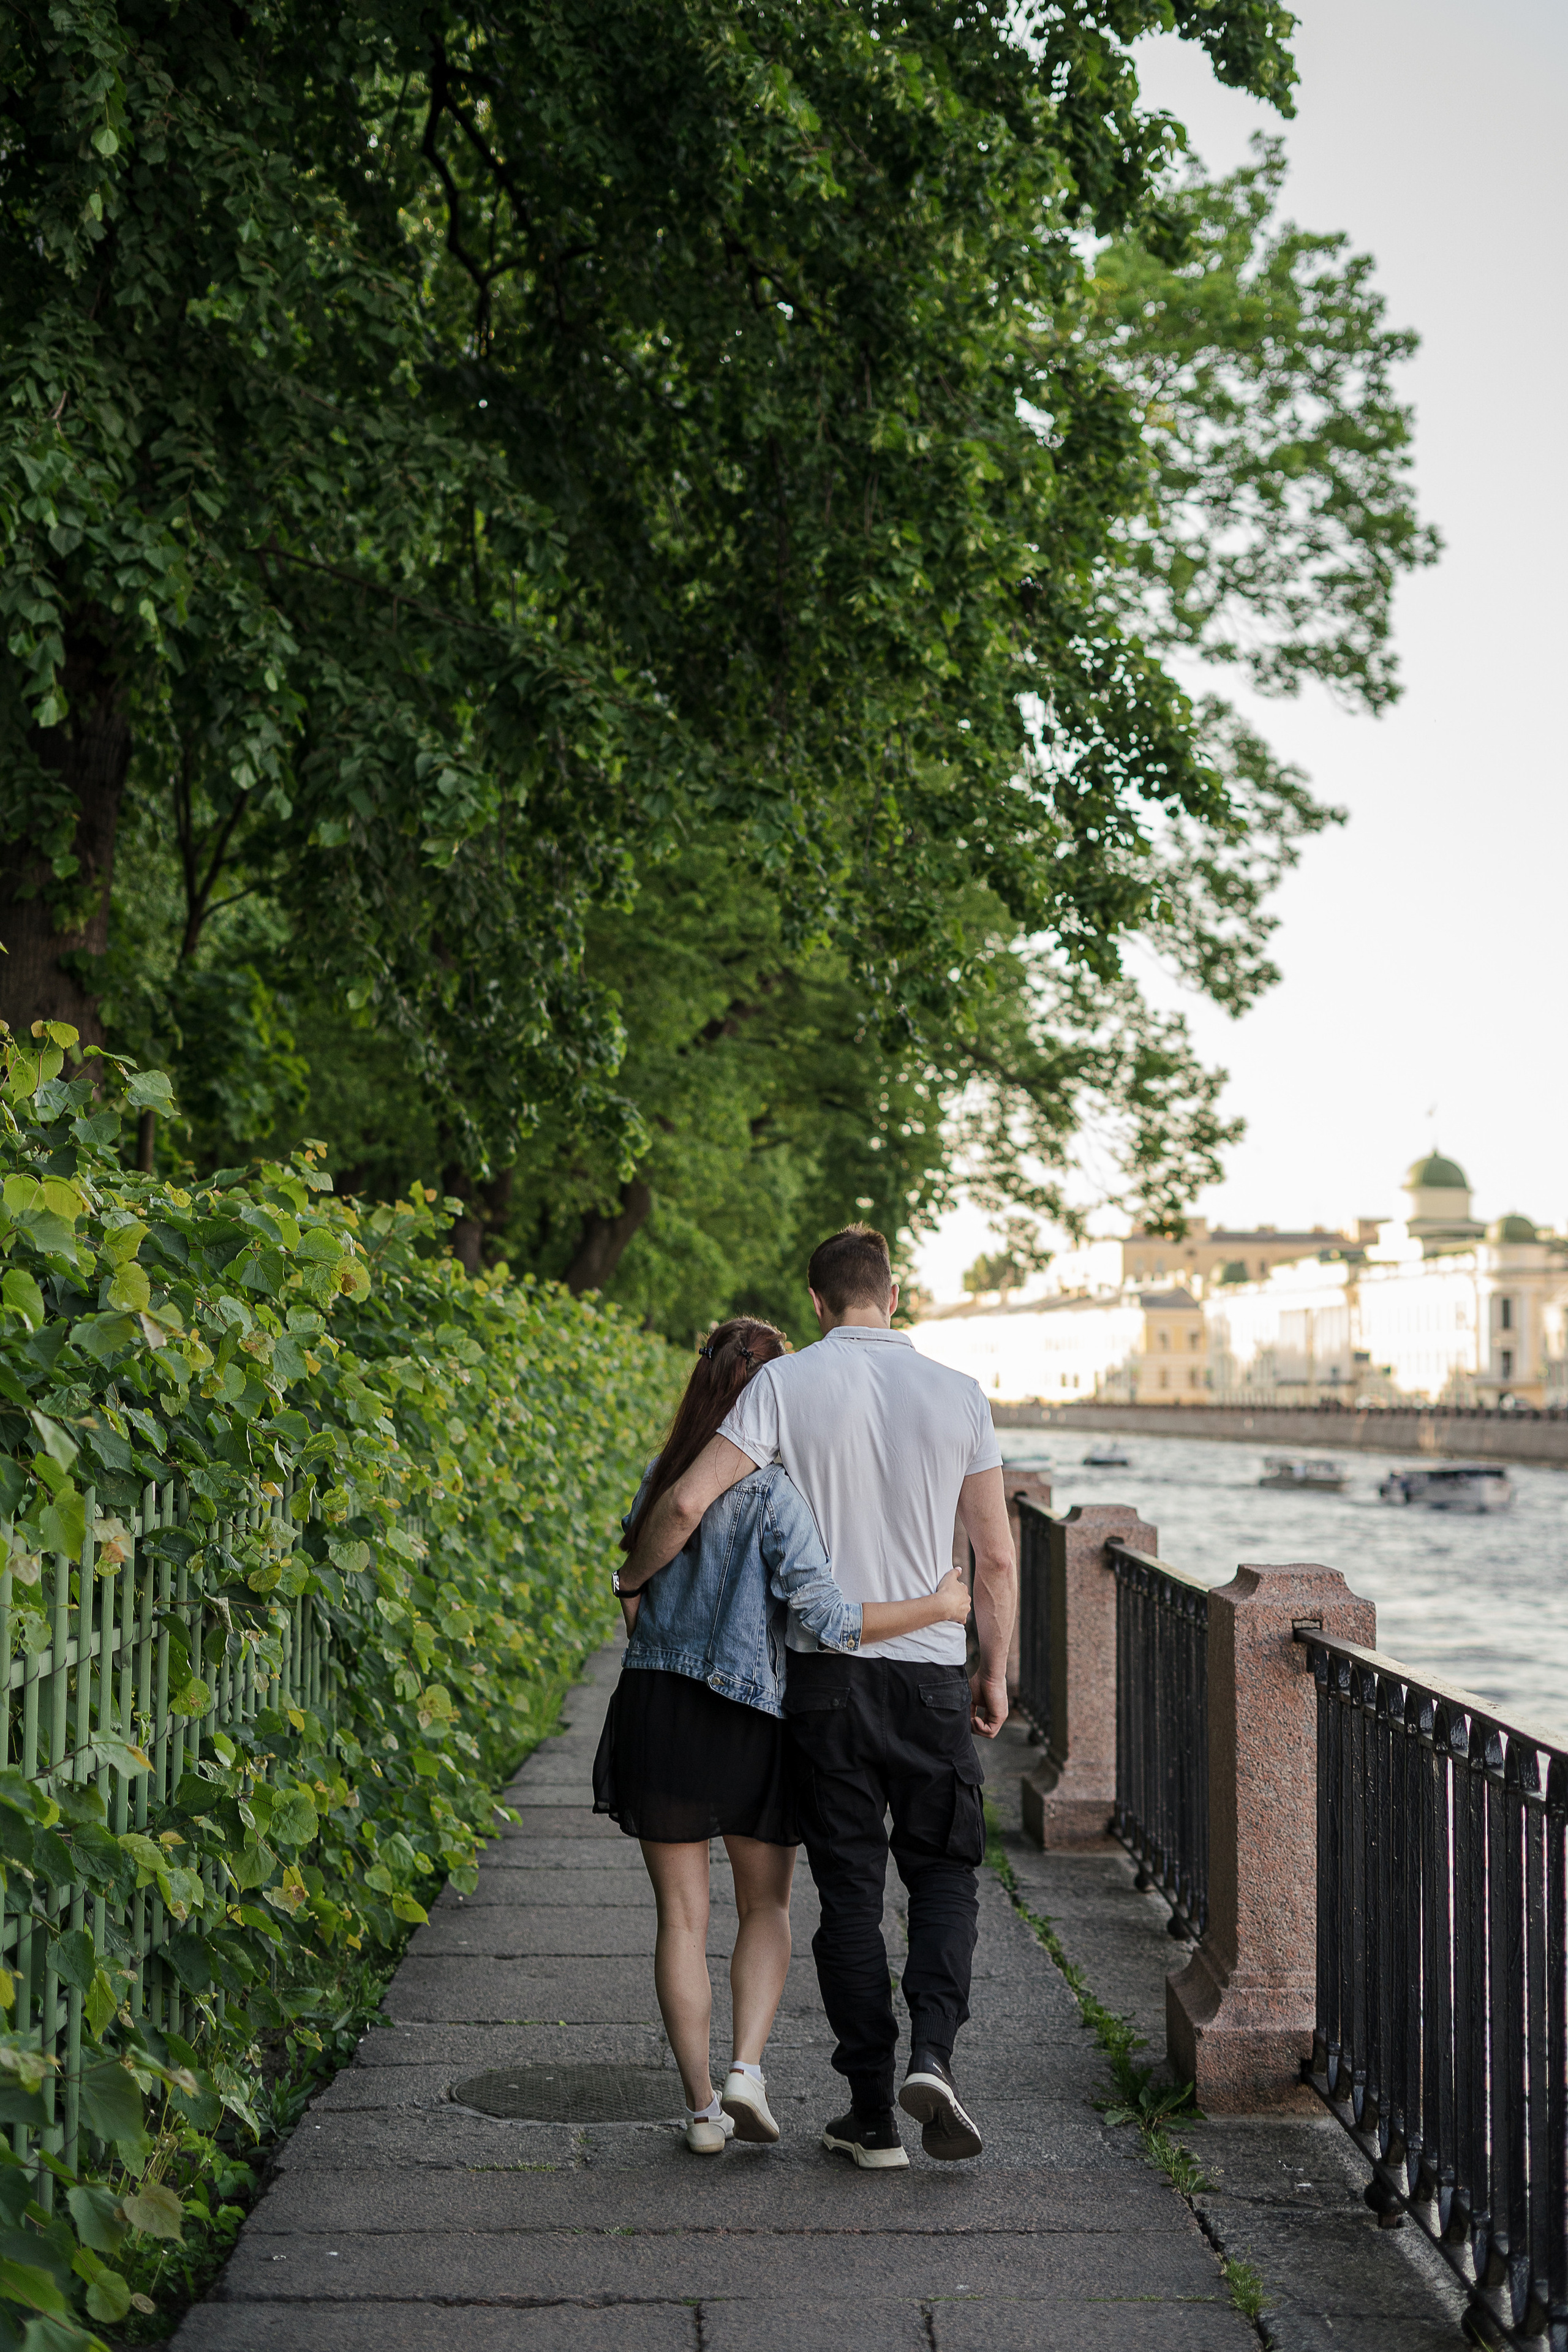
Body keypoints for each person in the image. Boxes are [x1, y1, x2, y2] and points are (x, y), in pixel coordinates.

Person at [620, 1227, 1017, 2170]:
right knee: (945, 1873)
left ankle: (872, 2115)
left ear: (814, 1302)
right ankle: (933, 2056)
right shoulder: (961, 1395)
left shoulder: (783, 1386)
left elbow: (686, 1505)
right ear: (895, 1292)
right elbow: (996, 1554)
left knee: (848, 1895)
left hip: (825, 1683)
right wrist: (991, 1668)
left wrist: (631, 1585)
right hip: (926, 1674)